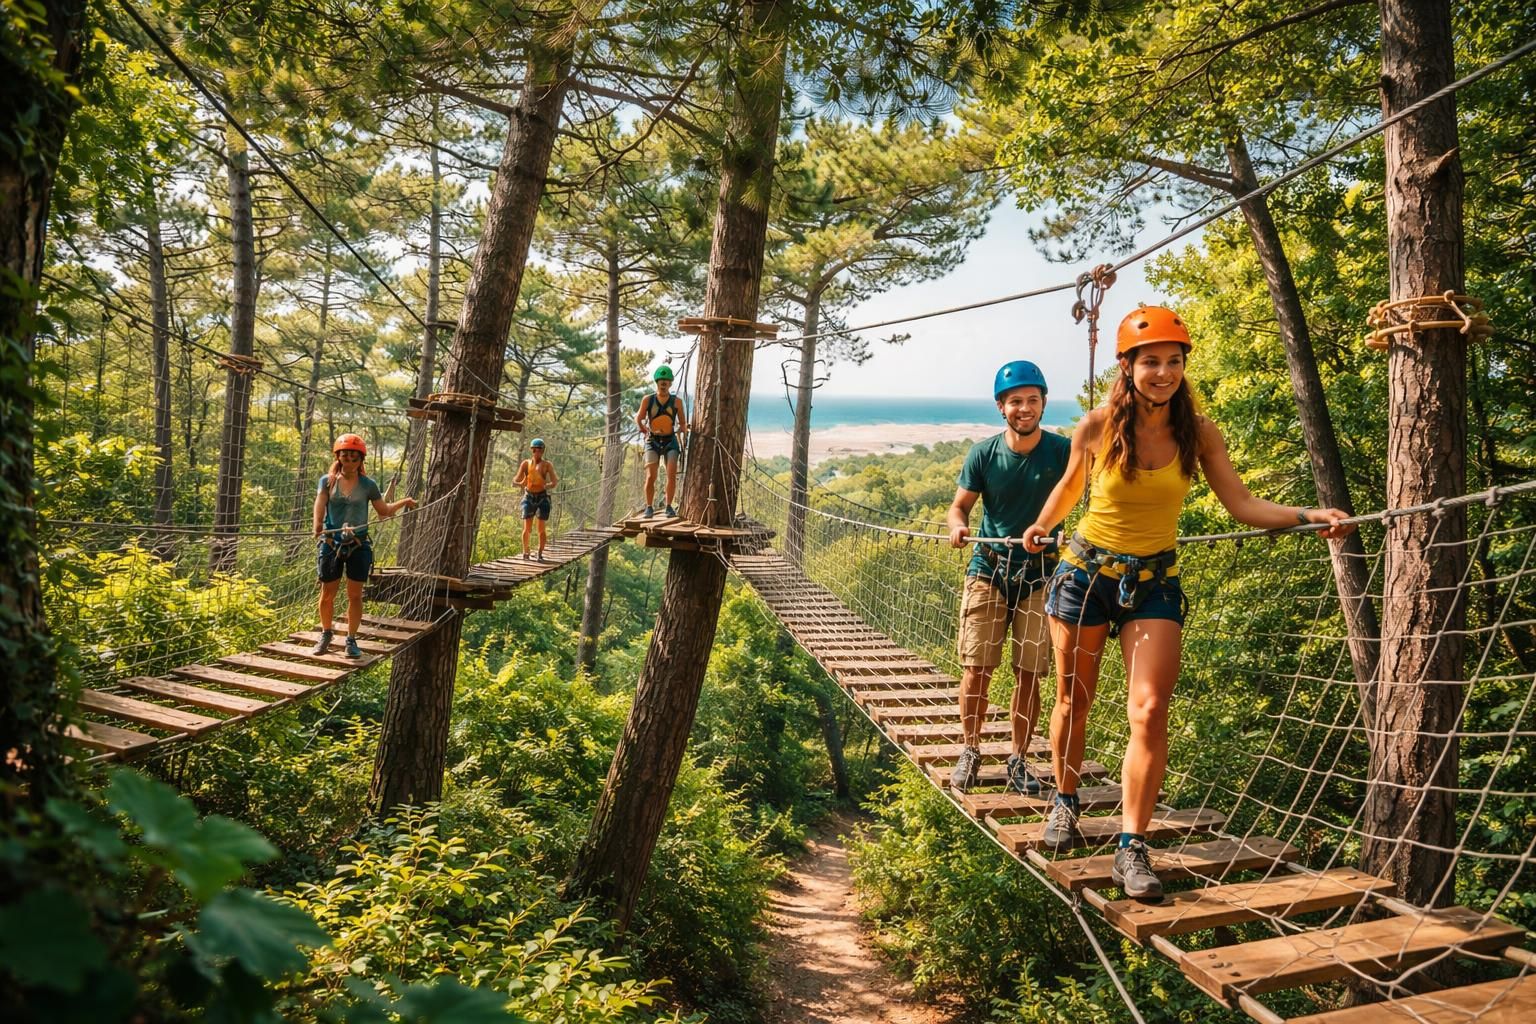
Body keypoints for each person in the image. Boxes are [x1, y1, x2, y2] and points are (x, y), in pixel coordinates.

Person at [1021, 305, 1354, 899]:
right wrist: (1043, 525)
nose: (1163, 373)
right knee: (1075, 699)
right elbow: (1071, 485)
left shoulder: (1198, 433)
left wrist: (1308, 517)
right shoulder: (1098, 426)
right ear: (1127, 367)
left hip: (1154, 585)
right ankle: (1066, 800)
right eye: (1150, 362)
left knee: (1148, 711)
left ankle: (1132, 847)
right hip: (1083, 578)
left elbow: (1243, 506)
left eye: (1173, 362)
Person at [946, 360, 1071, 795]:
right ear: (1002, 407)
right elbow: (959, 506)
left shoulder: (1062, 451)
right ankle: (971, 749)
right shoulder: (983, 454)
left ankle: (1018, 758)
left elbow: (1085, 487)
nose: (1024, 408)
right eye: (1015, 401)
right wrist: (957, 525)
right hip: (989, 569)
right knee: (977, 667)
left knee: (1029, 673)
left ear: (1043, 404)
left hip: (1040, 574)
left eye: (1032, 400)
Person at [310, 433, 417, 659]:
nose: (348, 462)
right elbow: (320, 502)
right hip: (331, 543)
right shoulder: (327, 481)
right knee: (327, 593)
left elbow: (384, 512)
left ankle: (350, 639)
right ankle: (326, 633)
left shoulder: (368, 485)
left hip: (358, 545)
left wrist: (404, 502)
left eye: (353, 458)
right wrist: (317, 525)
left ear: (361, 461)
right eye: (344, 457)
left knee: (355, 595)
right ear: (338, 458)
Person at [635, 364, 688, 517]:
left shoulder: (676, 402)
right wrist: (644, 430)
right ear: (657, 383)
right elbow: (639, 418)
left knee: (671, 474)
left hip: (670, 441)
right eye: (661, 381)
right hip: (653, 441)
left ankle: (669, 506)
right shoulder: (648, 400)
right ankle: (649, 506)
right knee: (651, 475)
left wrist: (682, 431)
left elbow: (683, 422)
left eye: (666, 382)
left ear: (670, 383)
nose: (663, 384)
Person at [513, 438, 559, 560]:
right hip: (529, 497)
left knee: (541, 529)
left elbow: (554, 482)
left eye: (539, 450)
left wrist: (546, 485)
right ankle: (525, 551)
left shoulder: (547, 465)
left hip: (542, 497)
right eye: (534, 450)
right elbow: (515, 480)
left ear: (543, 451)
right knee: (527, 528)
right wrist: (522, 482)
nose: (536, 452)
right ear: (531, 450)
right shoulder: (526, 464)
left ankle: (539, 553)